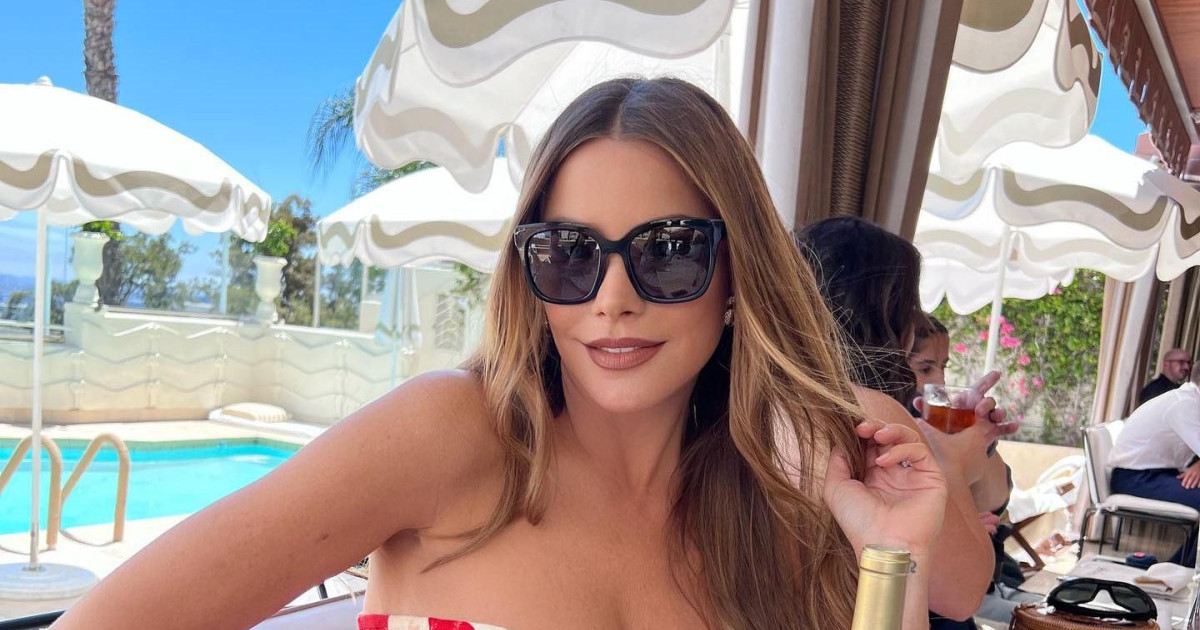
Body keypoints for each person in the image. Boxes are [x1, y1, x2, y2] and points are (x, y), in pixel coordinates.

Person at [51, 79, 947, 630]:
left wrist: (891, 558)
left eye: (669, 251)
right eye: (570, 254)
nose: (612, 297)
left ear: (737, 274)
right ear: (531, 272)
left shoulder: (775, 508)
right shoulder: (449, 436)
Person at [797, 217, 1020, 628]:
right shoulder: (871, 414)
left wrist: (977, 443)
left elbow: (993, 498)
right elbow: (962, 593)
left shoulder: (758, 399)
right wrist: (950, 464)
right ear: (893, 318)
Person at [1110, 368, 1200, 567]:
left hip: (1159, 473)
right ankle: (1181, 570)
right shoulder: (1184, 404)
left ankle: (1177, 569)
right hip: (1135, 477)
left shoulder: (1190, 400)